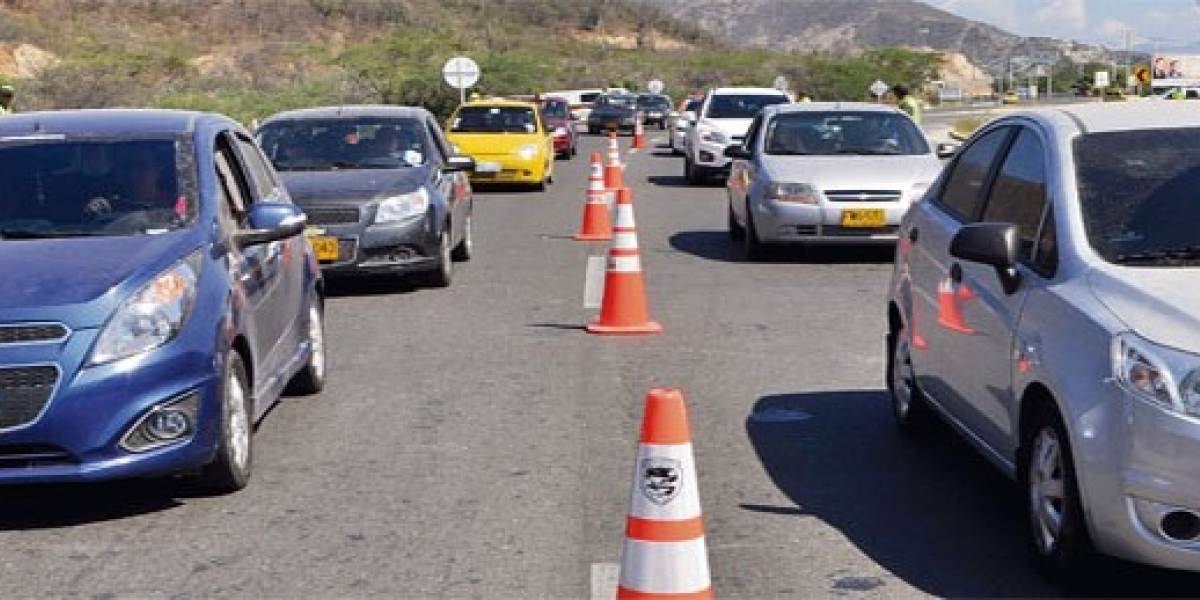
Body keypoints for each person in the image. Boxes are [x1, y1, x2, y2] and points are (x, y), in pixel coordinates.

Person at [85, 147, 174, 216]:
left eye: (142, 166)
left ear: (158, 169)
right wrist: (93, 212)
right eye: (125, 167)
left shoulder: (175, 204)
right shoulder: (108, 206)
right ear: (116, 172)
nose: (133, 175)